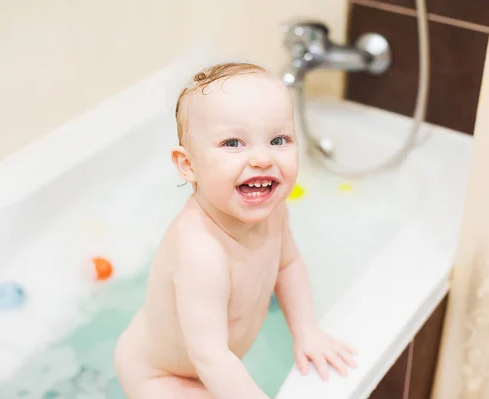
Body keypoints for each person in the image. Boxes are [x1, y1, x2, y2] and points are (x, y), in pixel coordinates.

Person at [114, 62, 358, 399]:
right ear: (188, 165)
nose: (262, 158)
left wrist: (306, 332)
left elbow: (288, 266)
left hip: (214, 364)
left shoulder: (273, 213)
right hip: (161, 376)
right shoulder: (199, 249)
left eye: (278, 139)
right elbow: (210, 356)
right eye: (233, 143)